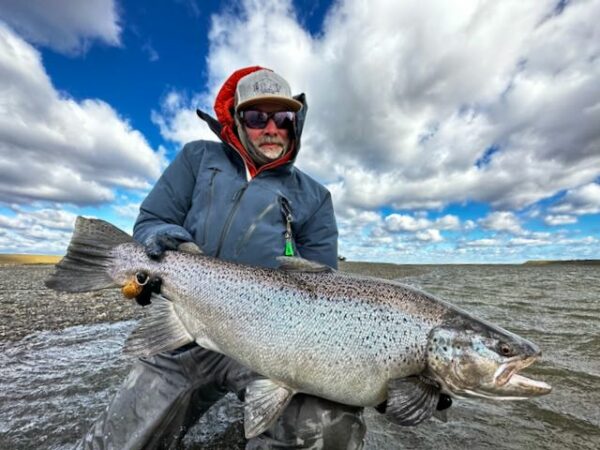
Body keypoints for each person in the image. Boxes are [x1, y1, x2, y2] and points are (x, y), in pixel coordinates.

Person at [77, 66, 366, 449]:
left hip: (266, 350)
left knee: (331, 427)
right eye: (256, 116)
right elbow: (152, 219)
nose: (271, 128)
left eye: (282, 117)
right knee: (117, 441)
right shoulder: (197, 158)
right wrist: (157, 240)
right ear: (236, 118)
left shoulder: (315, 197)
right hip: (181, 329)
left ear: (295, 123)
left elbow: (324, 290)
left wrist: (370, 376)